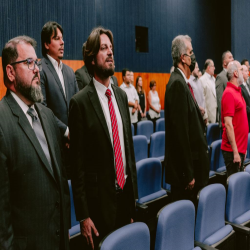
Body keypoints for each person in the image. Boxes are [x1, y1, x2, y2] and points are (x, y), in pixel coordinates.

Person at [69, 27, 138, 250]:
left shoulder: (121, 95)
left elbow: (128, 150)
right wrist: (83, 216)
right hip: (99, 208)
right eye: (103, 48)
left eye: (111, 48)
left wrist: (132, 202)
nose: (110, 53)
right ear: (91, 57)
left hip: (124, 199)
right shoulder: (79, 103)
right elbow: (77, 166)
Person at [0, 36, 70, 250]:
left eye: (37, 62)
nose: (37, 69)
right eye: (29, 63)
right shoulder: (2, 122)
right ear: (10, 72)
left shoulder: (48, 116)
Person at [164, 35, 209, 204]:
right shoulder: (177, 84)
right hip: (187, 175)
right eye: (191, 52)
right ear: (183, 58)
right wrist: (188, 173)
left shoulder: (182, 82)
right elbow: (180, 134)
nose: (194, 56)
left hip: (193, 167)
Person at [40, 21, 79, 179]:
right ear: (47, 44)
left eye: (62, 38)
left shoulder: (70, 71)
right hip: (54, 144)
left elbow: (77, 105)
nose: (62, 42)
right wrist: (66, 132)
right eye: (57, 38)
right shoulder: (40, 69)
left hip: (73, 145)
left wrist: (74, 133)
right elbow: (42, 108)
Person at [221, 61, 248, 177]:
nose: (244, 72)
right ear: (236, 73)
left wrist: (243, 149)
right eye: (241, 70)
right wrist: (236, 152)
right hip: (232, 151)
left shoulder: (237, 91)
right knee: (235, 187)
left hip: (239, 149)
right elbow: (228, 125)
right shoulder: (229, 93)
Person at [216, 51, 234, 126]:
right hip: (226, 122)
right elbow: (220, 100)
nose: (232, 59)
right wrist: (225, 122)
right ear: (224, 62)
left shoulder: (234, 76)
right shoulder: (220, 77)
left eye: (232, 57)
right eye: (230, 58)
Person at [199, 59, 217, 124]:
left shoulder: (214, 79)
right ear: (208, 68)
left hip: (216, 115)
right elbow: (202, 99)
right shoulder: (202, 80)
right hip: (209, 117)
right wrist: (205, 116)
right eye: (213, 66)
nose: (214, 68)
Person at [240, 64, 250, 131]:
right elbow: (244, 104)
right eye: (246, 71)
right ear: (241, 72)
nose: (248, 73)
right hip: (246, 119)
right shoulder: (240, 87)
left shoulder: (248, 85)